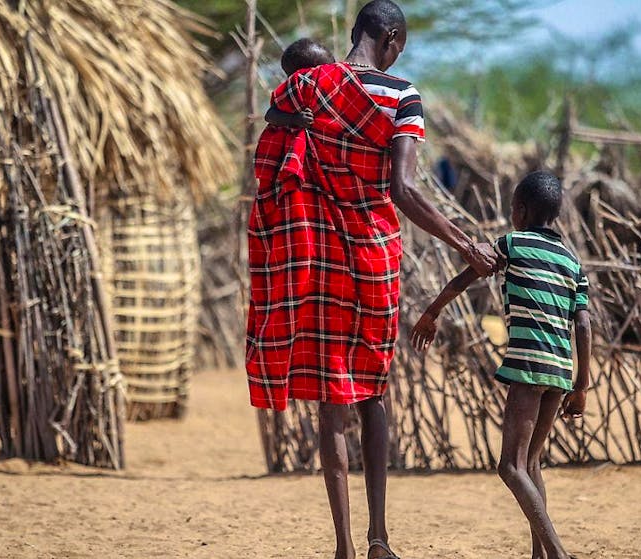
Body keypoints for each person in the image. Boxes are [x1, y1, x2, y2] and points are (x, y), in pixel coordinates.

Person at [246, 2, 497, 558]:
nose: (399, 54)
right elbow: (404, 191)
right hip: (373, 259)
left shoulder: (308, 86)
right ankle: (379, 538)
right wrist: (465, 243)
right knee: (374, 394)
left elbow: (274, 124)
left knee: (331, 405)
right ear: (388, 37)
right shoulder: (401, 96)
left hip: (319, 260)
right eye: (399, 45)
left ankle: (342, 547)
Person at [410, 171, 592, 559]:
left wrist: (432, 312)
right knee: (531, 462)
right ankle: (540, 557)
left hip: (528, 367)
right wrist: (581, 386)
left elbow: (467, 277)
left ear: (521, 211)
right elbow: (583, 323)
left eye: (512, 208)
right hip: (560, 370)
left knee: (510, 467)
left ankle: (558, 553)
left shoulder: (511, 243)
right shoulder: (572, 261)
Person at [263, 38, 335, 129]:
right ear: (301, 78)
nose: (334, 72)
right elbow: (270, 115)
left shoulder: (334, 90)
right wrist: (295, 119)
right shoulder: (290, 94)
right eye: (326, 71)